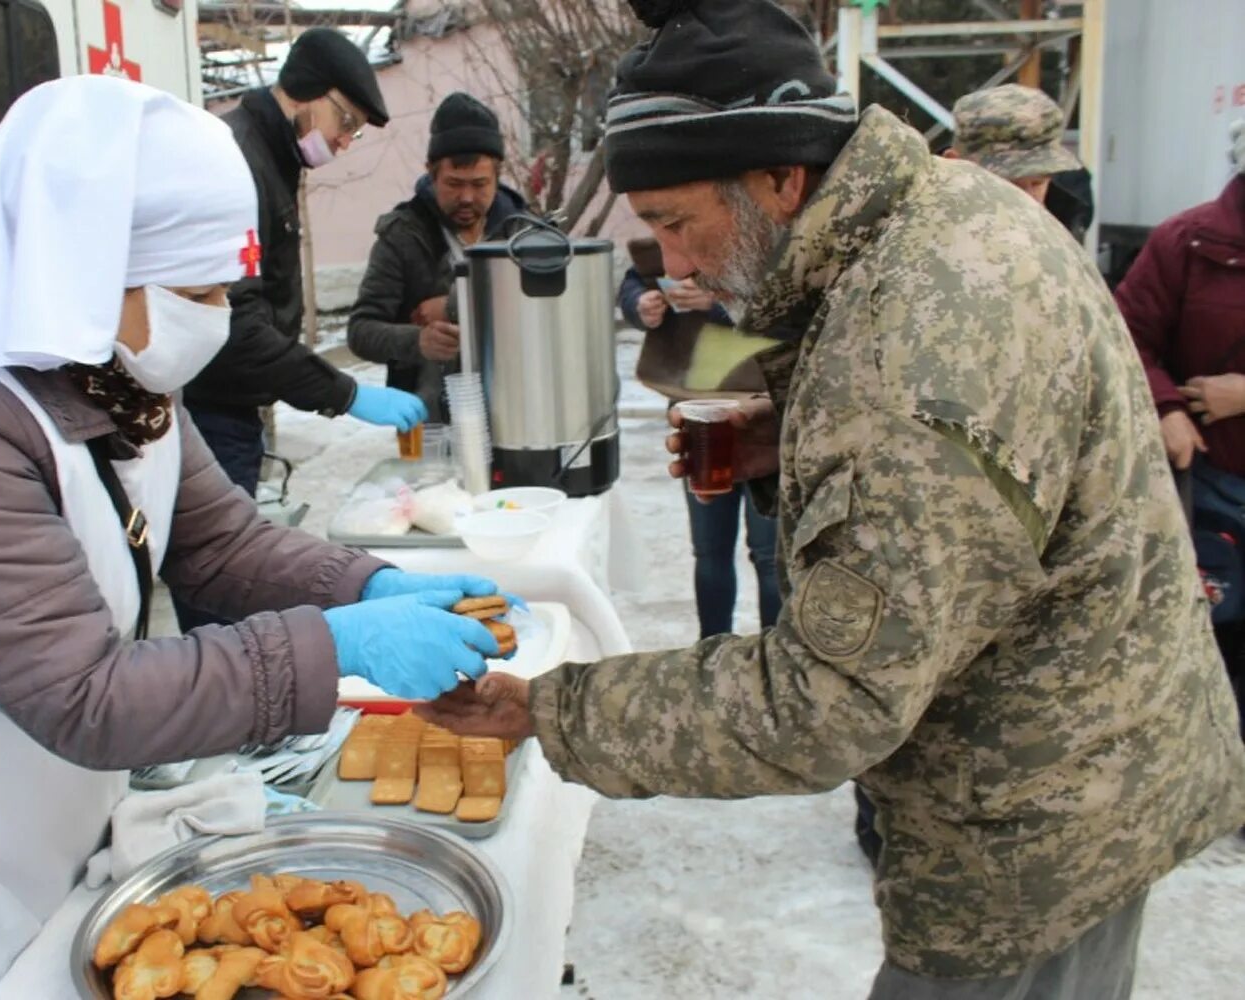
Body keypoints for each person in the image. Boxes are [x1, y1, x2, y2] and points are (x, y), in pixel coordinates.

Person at [419, 2, 1245, 998]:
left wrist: (555, 708)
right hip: (1086, 760)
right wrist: (792, 436)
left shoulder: (918, 339)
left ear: (781, 176)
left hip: (1038, 827)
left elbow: (828, 700)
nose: (674, 265)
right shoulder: (927, 216)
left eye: (679, 224)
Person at [0, 77, 504, 999]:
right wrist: (334, 648)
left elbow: (219, 542)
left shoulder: (105, 366)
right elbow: (83, 692)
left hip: (26, 785)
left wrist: (366, 586)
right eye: (198, 288)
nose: (217, 316)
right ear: (90, 264)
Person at [178, 27, 427, 630]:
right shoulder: (240, 158)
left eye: (355, 131)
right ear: (304, 92)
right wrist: (345, 393)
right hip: (209, 407)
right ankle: (224, 707)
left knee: (225, 577)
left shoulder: (272, 157)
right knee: (218, 584)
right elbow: (236, 325)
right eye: (345, 120)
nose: (345, 141)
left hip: (231, 409)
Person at [1115, 118, 1245, 738]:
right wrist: (1165, 406)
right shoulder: (1186, 242)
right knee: (1205, 637)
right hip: (1211, 486)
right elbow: (1126, 340)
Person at [616, 265, 782, 636]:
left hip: (766, 412)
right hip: (697, 409)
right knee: (709, 552)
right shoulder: (679, 239)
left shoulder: (768, 232)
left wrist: (722, 301)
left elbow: (796, 302)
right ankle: (712, 652)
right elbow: (636, 275)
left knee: (771, 555)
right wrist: (639, 304)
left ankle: (774, 655)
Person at [347, 92, 526, 422]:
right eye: (454, 184)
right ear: (431, 173)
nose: (467, 197)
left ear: (498, 176)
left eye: (480, 184)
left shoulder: (522, 231)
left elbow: (543, 309)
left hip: (517, 411)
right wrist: (418, 341)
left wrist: (457, 305)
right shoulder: (402, 235)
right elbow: (360, 331)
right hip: (427, 419)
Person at [944, 83, 1082, 205]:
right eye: (1012, 184)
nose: (1031, 200)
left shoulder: (1066, 214)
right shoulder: (930, 224)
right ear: (954, 164)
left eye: (1037, 183)